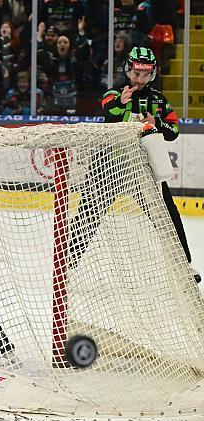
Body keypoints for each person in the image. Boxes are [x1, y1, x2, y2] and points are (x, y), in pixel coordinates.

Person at [71, 47, 200, 283]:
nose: (138, 79)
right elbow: (109, 111)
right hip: (107, 169)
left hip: (142, 170)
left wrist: (157, 122)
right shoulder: (114, 93)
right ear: (127, 70)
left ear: (152, 75)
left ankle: (185, 265)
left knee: (167, 217)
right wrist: (122, 101)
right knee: (86, 218)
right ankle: (65, 266)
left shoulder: (158, 100)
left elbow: (173, 131)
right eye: (135, 73)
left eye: (144, 75)